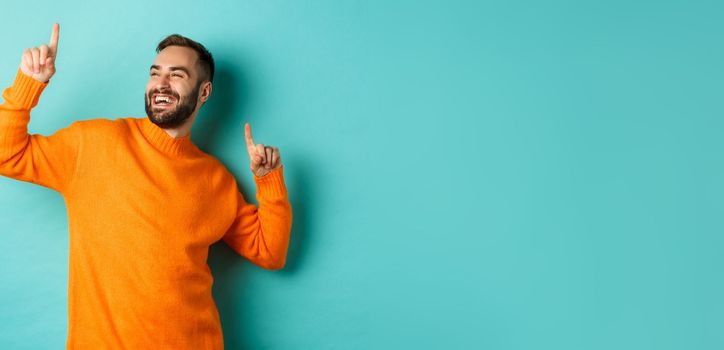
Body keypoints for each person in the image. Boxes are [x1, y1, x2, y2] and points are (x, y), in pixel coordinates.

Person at [0, 23, 293, 349]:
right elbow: (6, 155)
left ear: (204, 92)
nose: (161, 83)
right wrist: (29, 83)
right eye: (156, 73)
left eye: (177, 75)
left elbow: (270, 252)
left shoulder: (216, 179)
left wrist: (269, 180)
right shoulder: (95, 143)